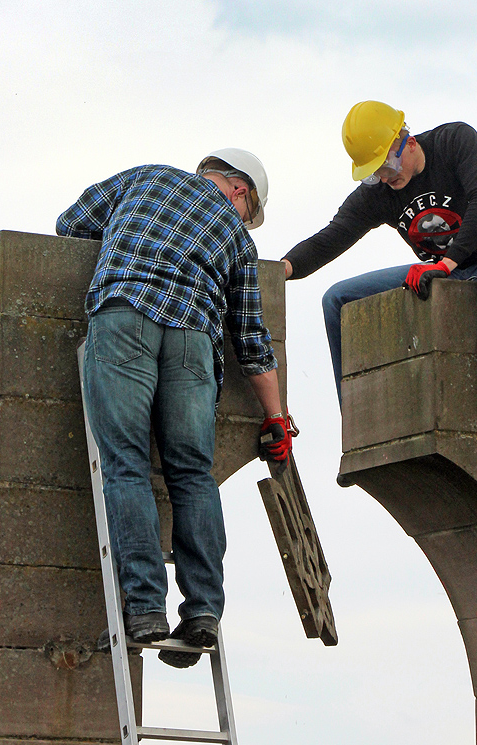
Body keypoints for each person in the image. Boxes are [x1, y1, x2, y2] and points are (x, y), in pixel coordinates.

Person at [57, 149, 295, 668]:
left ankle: (144, 610)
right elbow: (253, 342)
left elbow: (70, 224)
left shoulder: (147, 176)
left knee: (125, 466)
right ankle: (204, 611)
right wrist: (276, 417)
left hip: (124, 320)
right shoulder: (238, 238)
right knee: (192, 475)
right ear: (239, 190)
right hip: (192, 342)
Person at [282, 101, 477, 444]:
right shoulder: (381, 192)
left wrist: (446, 264)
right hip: (448, 273)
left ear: (408, 140)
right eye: (376, 171)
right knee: (338, 299)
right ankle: (358, 424)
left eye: (388, 164)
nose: (387, 177)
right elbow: (331, 237)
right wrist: (281, 270)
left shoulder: (455, 142)